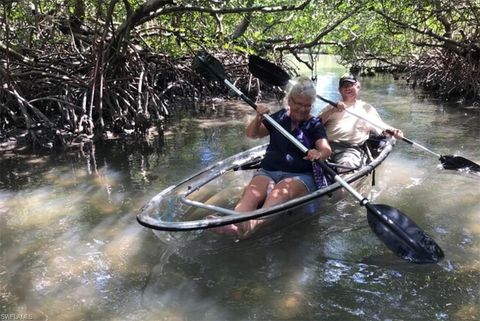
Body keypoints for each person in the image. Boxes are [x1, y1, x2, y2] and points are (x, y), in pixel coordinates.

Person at [212, 76, 332, 238]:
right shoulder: (280, 117)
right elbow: (252, 134)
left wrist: (318, 153)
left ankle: (248, 228)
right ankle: (235, 222)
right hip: (269, 170)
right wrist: (258, 118)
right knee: (251, 193)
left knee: (281, 191)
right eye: (298, 104)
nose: (303, 109)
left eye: (307, 106)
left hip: (301, 175)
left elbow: (326, 150)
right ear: (290, 101)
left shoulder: (314, 124)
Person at [318, 73, 403, 173]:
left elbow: (383, 129)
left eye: (351, 85)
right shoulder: (331, 107)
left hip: (349, 149)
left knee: (346, 165)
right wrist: (332, 110)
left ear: (358, 87)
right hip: (325, 146)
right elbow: (314, 125)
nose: (347, 88)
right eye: (344, 86)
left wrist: (395, 132)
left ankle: (343, 183)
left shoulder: (367, 109)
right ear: (339, 90)